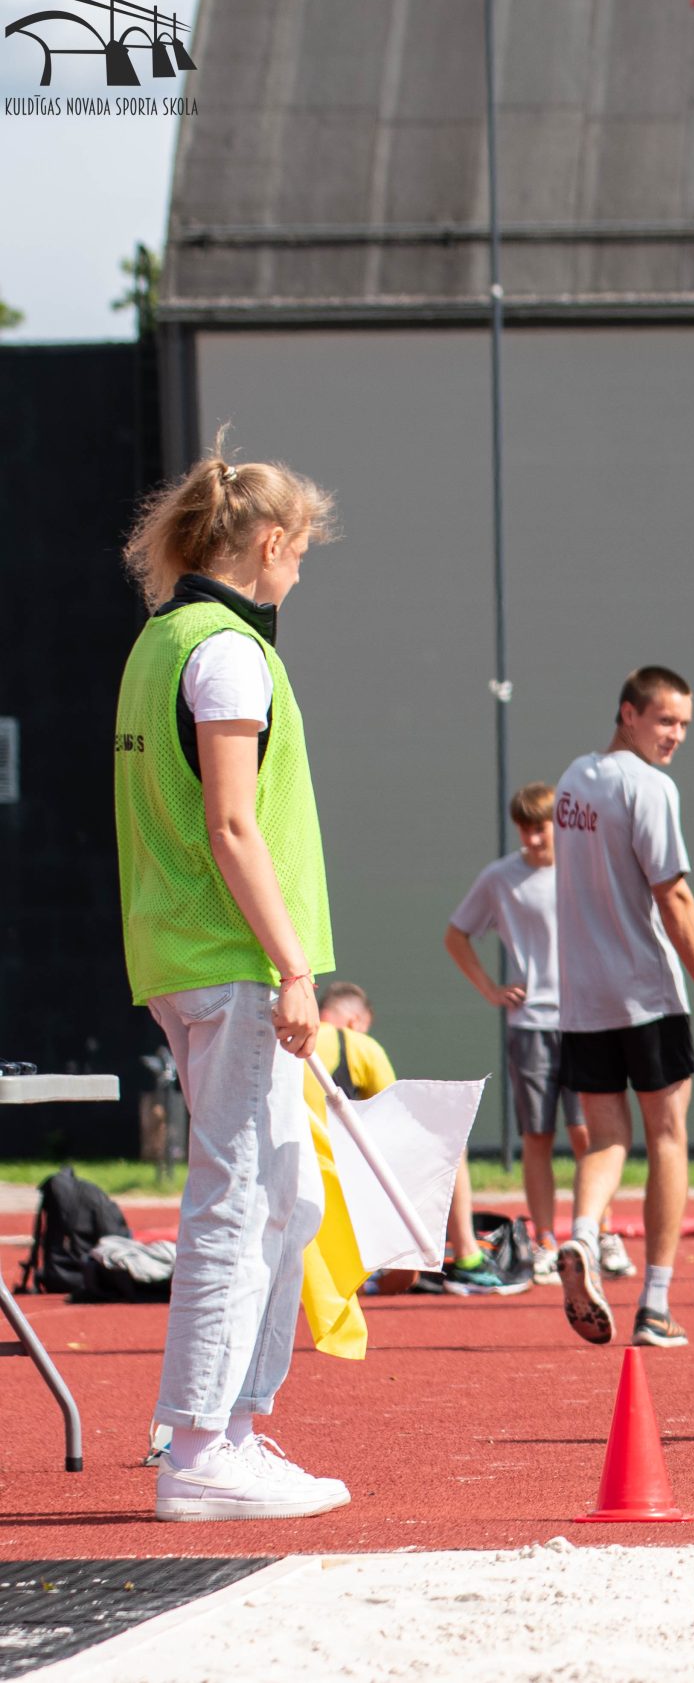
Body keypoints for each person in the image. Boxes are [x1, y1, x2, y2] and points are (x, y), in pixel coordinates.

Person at [113, 435, 351, 1520]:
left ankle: (233, 1431)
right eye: (301, 551)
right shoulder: (228, 652)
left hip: (192, 953)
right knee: (241, 1198)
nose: (301, 570)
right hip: (234, 959)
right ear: (272, 542)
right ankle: (204, 1449)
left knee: (285, 1196)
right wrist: (294, 965)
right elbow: (231, 824)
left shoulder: (163, 642)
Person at [552, 666, 694, 1349]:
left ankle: (581, 1235)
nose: (676, 734)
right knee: (667, 1136)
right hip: (647, 993)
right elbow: (671, 893)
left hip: (583, 996)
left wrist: (687, 927)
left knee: (606, 1137)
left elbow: (616, 883)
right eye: (665, 720)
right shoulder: (651, 786)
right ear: (627, 712)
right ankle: (655, 1303)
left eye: (684, 723)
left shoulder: (573, 779)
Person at [444, 780, 587, 1283]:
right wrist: (490, 988)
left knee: (589, 1134)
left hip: (587, 1020)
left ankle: (593, 1235)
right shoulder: (500, 877)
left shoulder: (587, 867)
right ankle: (546, 1240)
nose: (532, 839)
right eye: (524, 829)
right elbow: (456, 934)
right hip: (531, 1025)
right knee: (538, 1135)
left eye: (540, 828)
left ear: (560, 825)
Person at [307, 982, 524, 1297]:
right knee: (447, 1146)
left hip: (291, 1170)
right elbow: (397, 1118)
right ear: (356, 1021)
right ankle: (468, 1260)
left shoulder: (285, 1042)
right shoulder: (355, 1043)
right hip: (337, 1174)